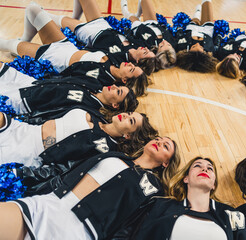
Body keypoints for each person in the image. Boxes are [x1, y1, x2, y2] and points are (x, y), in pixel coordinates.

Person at [0, 137, 181, 239]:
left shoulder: (155, 190)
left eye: (166, 146)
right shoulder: (116, 155)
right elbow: (65, 172)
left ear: (166, 163)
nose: (159, 142)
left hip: (80, 232)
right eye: (158, 139)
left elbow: (131, 229)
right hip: (50, 203)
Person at [0, 2, 148, 96]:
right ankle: (24, 41)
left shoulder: (101, 83)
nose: (130, 64)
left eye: (131, 70)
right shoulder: (117, 60)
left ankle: (19, 47)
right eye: (133, 65)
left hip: (54, 58)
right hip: (66, 45)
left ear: (123, 80)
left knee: (6, 44)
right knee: (33, 9)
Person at [115, 157, 246, 239]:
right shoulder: (158, 204)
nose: (204, 169)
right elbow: (124, 234)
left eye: (209, 168)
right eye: (197, 166)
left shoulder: (232, 216)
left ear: (214, 184)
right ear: (186, 178)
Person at [0, 107, 158, 167]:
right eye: (129, 113)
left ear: (128, 135)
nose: (125, 115)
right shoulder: (96, 114)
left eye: (130, 121)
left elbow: (68, 167)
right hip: (24, 129)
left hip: (28, 152)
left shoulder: (107, 150)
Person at [47, 0, 157, 75]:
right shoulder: (139, 45)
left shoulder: (119, 59)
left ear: (137, 61)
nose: (146, 49)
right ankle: (72, 20)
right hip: (103, 24)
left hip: (90, 34)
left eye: (145, 53)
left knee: (55, 19)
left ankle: (40, 16)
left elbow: (95, 52)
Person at [0, 63, 138, 118]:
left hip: (25, 101)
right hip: (31, 82)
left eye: (118, 92)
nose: (114, 86)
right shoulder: (94, 84)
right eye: (119, 87)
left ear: (115, 105)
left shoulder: (90, 111)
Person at [121, 0, 177, 70]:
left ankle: (125, 10)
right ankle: (138, 15)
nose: (164, 42)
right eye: (169, 45)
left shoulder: (147, 48)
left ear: (157, 51)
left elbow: (132, 41)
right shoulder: (174, 44)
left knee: (131, 17)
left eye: (161, 46)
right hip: (153, 23)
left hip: (138, 27)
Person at [175, 0, 219, 73]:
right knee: (207, 4)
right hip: (207, 30)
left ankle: (198, 11)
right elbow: (216, 42)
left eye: (193, 46)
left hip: (192, 29)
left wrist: (179, 28)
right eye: (201, 47)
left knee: (195, 20)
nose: (197, 44)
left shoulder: (181, 47)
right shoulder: (211, 51)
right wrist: (219, 34)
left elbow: (179, 37)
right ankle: (199, 9)